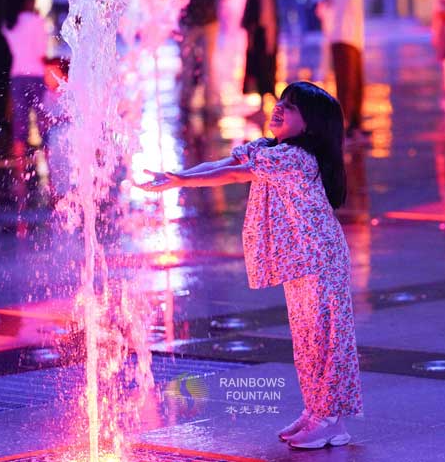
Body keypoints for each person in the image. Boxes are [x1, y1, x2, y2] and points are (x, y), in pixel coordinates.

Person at [136, 81, 363, 450]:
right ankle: (316, 411)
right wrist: (180, 177)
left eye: (290, 108)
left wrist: (183, 182)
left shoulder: (294, 159)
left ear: (309, 125)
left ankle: (330, 420)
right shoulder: (273, 151)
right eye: (282, 102)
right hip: (303, 260)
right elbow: (226, 164)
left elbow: (233, 174)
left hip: (320, 259)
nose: (278, 109)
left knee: (325, 339)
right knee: (306, 338)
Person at [1, 0, 50, 203]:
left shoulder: (9, 23)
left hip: (18, 75)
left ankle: (19, 176)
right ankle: (49, 172)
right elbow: (41, 52)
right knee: (42, 124)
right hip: (36, 75)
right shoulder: (38, 22)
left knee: (19, 126)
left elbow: (9, 37)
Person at [170, 0, 230, 114]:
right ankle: (209, 104)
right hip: (209, 17)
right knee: (208, 64)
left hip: (188, 19)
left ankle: (186, 102)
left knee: (187, 63)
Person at [327, 0, 365, 140]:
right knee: (346, 87)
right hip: (343, 40)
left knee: (357, 85)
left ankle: (355, 125)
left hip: (354, 41)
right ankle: (345, 128)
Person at [242, 0, 279, 101]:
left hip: (263, 30)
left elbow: (263, 8)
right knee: (261, 63)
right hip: (262, 29)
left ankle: (266, 94)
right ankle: (264, 96)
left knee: (263, 62)